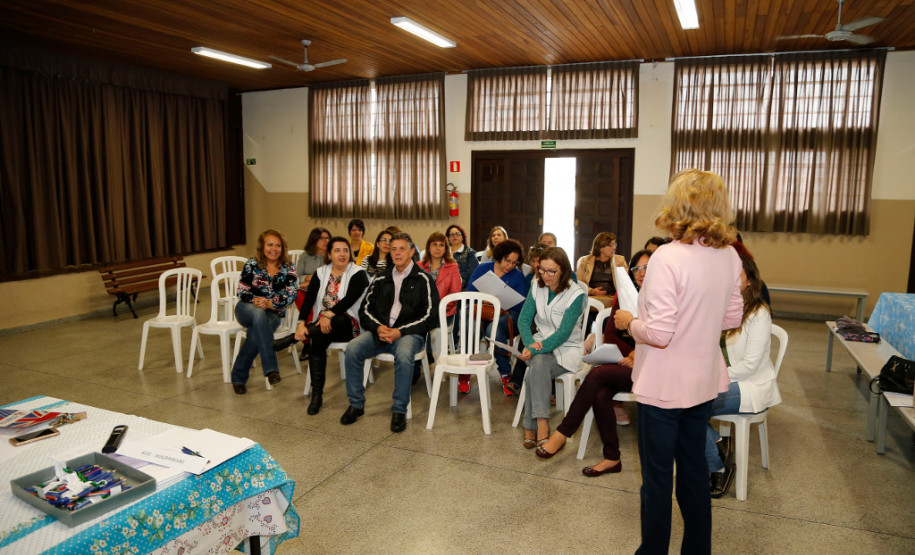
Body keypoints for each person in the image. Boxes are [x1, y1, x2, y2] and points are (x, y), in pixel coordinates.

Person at [612, 169, 743, 554]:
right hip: (703, 380)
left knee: (656, 479)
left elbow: (660, 333)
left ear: (678, 205)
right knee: (692, 472)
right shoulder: (729, 255)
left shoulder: (668, 256)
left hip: (664, 385)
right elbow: (731, 319)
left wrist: (629, 322)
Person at [535, 250, 653, 476]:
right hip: (627, 364)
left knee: (596, 376)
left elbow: (662, 337)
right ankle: (612, 458)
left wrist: (639, 354)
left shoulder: (661, 298)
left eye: (647, 268)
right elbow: (611, 334)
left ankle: (563, 433)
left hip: (655, 369)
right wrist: (629, 355)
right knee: (601, 393)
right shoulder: (626, 295)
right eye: (636, 269)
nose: (641, 274)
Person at [341, 232, 440, 433]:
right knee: (352, 348)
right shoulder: (381, 277)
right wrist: (378, 327)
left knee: (404, 355)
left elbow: (431, 316)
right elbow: (365, 310)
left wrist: (400, 331)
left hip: (409, 335)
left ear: (412, 252)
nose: (397, 253)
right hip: (381, 332)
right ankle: (356, 404)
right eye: (393, 249)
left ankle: (399, 410)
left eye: (402, 248)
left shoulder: (423, 279)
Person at [707, 253, 781, 498]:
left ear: (749, 280)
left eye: (736, 275)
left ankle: (717, 466)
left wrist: (710, 376)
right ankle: (718, 444)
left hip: (749, 386)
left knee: (687, 407)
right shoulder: (720, 307)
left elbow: (750, 365)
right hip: (720, 380)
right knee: (680, 405)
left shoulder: (758, 313)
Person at [277, 237, 369, 415]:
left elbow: (349, 299)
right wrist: (301, 323)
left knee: (339, 320)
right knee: (318, 337)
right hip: (321, 326)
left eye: (345, 250)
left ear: (350, 253)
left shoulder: (358, 273)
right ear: (329, 254)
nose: (342, 254)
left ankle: (292, 339)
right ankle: (316, 395)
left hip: (350, 326)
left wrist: (329, 314)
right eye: (337, 250)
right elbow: (309, 300)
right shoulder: (320, 273)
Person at [516, 247, 585, 448]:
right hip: (539, 344)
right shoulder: (536, 285)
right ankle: (541, 424)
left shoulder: (576, 294)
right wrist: (530, 344)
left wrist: (534, 350)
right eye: (542, 270)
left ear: (563, 270)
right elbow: (524, 319)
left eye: (551, 271)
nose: (545, 276)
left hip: (567, 349)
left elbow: (563, 334)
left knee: (535, 367)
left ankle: (532, 425)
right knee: (538, 363)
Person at [230, 229, 298, 395]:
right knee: (258, 314)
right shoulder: (252, 264)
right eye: (269, 245)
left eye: (277, 245)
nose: (273, 249)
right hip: (246, 309)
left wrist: (270, 303)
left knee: (256, 331)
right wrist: (255, 300)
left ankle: (238, 376)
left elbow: (291, 295)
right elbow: (242, 291)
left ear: (283, 248)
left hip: (272, 314)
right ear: (262, 246)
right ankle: (271, 369)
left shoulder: (288, 267)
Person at [465, 239, 528, 396]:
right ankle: (465, 371)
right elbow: (469, 293)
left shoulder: (518, 276)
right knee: (471, 326)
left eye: (515, 262)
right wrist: (485, 299)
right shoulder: (483, 269)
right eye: (508, 261)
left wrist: (504, 303)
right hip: (483, 310)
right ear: (499, 256)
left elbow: (522, 305)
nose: (510, 266)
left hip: (507, 315)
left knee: (493, 328)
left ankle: (506, 374)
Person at [505, 242, 549, 395]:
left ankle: (516, 380)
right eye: (533, 261)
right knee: (528, 328)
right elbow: (526, 305)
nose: (536, 265)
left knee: (529, 329)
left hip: (553, 319)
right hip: (534, 318)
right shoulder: (530, 277)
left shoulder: (561, 274)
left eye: (539, 261)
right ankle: (518, 380)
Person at [418, 232, 462, 370]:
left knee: (424, 327)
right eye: (434, 244)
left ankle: (430, 357)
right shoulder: (419, 265)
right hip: (423, 312)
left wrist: (438, 310)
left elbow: (455, 294)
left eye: (441, 245)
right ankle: (419, 360)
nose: (437, 248)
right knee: (414, 325)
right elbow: (414, 293)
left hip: (445, 313)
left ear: (445, 248)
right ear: (429, 247)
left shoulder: (453, 266)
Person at [576, 232, 627, 309]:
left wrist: (619, 271)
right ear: (600, 247)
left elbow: (627, 284)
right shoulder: (585, 261)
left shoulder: (620, 260)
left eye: (614, 245)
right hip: (591, 301)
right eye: (610, 245)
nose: (614, 248)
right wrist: (592, 291)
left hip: (613, 301)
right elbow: (578, 283)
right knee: (588, 319)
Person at [294, 227, 331, 309]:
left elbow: (332, 277)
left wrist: (312, 281)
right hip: (306, 289)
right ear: (314, 239)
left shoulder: (332, 257)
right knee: (297, 294)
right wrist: (307, 278)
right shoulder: (304, 256)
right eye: (322, 238)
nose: (326, 241)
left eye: (327, 238)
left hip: (326, 290)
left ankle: (311, 319)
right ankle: (309, 319)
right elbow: (297, 276)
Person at [446, 224, 479, 288]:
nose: (454, 236)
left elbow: (471, 272)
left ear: (462, 236)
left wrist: (455, 281)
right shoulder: (444, 252)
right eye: (451, 234)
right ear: (448, 238)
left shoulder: (470, 253)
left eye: (457, 234)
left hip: (463, 287)